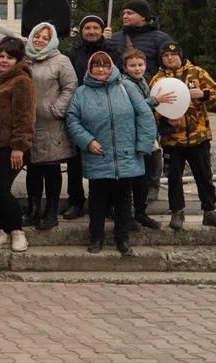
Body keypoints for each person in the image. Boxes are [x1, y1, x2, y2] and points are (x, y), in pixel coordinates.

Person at [66, 51, 157, 255]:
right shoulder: (81, 93)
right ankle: (96, 238)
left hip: (127, 155)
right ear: (90, 69)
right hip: (98, 155)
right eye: (96, 65)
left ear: (112, 68)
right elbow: (72, 120)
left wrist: (143, 145)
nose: (101, 69)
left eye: (105, 65)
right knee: (97, 200)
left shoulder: (127, 87)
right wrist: (87, 141)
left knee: (124, 200)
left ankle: (122, 239)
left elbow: (145, 115)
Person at [150, 41, 216, 231]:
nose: (170, 58)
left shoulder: (197, 73)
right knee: (174, 177)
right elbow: (151, 107)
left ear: (180, 55)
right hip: (173, 139)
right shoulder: (158, 79)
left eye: (173, 55)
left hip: (198, 136)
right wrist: (165, 120)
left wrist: (204, 94)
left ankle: (210, 212)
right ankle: (177, 211)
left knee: (204, 176)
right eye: (166, 56)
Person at [64, 15, 124, 220]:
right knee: (75, 159)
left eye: (95, 27)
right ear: (81, 31)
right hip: (80, 105)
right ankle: (76, 201)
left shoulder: (112, 50)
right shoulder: (73, 52)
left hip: (106, 108)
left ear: (101, 30)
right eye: (87, 27)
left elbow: (118, 76)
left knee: (104, 158)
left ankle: (105, 202)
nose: (91, 31)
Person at [0, 36, 35, 252]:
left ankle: (17, 231)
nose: (4, 61)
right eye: (1, 56)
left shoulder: (22, 81)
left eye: (9, 57)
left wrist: (19, 147)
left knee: (1, 189)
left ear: (18, 60)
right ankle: (2, 230)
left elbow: (25, 117)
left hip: (11, 147)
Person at [23, 22, 77, 231]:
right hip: (30, 124)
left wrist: (57, 109)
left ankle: (51, 212)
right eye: (37, 36)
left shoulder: (61, 61)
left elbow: (71, 86)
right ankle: (34, 210)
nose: (39, 40)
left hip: (52, 124)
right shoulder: (25, 60)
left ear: (52, 40)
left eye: (45, 38)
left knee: (51, 168)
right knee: (33, 170)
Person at [121, 48, 164, 229]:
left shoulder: (143, 81)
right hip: (134, 136)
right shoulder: (125, 84)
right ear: (125, 67)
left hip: (147, 134)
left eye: (140, 65)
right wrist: (155, 100)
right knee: (135, 179)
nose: (137, 68)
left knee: (144, 177)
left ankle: (140, 212)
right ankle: (131, 214)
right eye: (133, 65)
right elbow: (134, 107)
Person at [109, 0, 174, 73]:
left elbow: (170, 66)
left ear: (143, 17)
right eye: (124, 13)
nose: (124, 16)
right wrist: (104, 40)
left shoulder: (161, 39)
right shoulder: (114, 38)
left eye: (129, 13)